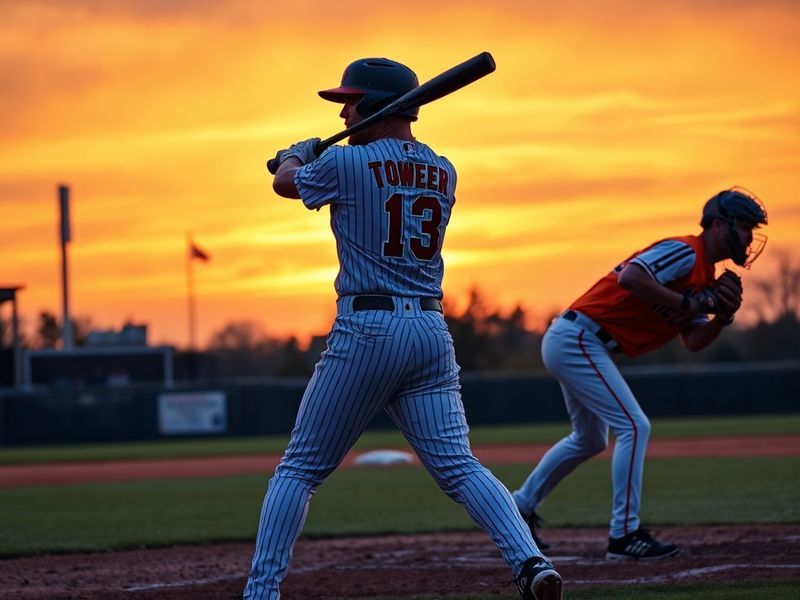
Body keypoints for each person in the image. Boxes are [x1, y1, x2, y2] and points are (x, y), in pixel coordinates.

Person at [243, 57, 562, 600]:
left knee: (299, 468)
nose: (345, 110)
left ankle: (261, 592)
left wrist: (298, 152)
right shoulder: (444, 169)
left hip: (367, 328)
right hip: (430, 333)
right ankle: (531, 563)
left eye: (352, 100)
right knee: (459, 465)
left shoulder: (347, 164)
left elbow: (284, 184)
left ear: (379, 106)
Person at [512, 188, 768, 559]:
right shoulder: (686, 250)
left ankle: (519, 507)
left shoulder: (703, 274)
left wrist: (722, 318)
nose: (748, 237)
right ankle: (625, 536)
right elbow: (631, 277)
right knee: (634, 426)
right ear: (716, 225)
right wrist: (688, 302)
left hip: (583, 341)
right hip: (579, 336)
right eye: (744, 226)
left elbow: (694, 341)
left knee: (590, 439)